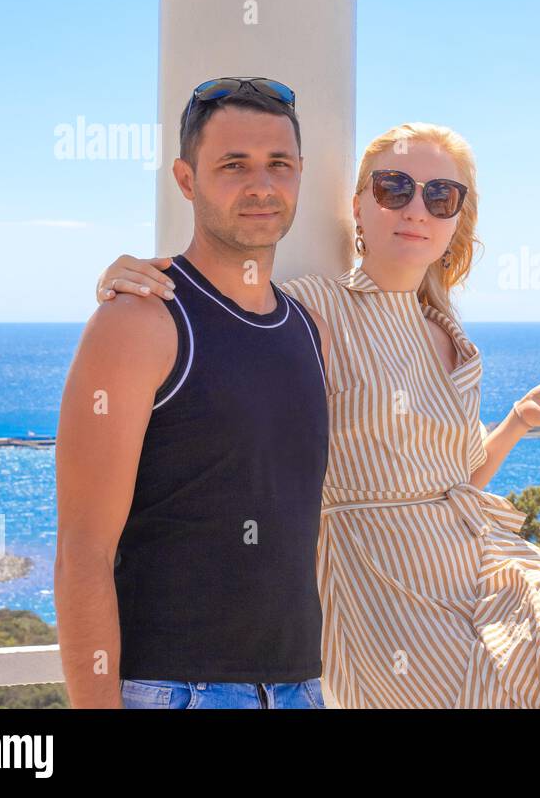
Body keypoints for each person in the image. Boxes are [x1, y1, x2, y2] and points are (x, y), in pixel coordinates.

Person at [93, 122, 540, 708]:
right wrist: (135, 278)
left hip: (489, 568)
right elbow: (221, 316)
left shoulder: (449, 333)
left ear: (458, 219)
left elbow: (446, 485)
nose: (416, 210)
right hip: (383, 590)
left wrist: (518, 421)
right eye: (393, 188)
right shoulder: (314, 309)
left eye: (440, 196)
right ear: (358, 205)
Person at [55, 77, 332, 708]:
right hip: (179, 691)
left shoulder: (305, 328)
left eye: (278, 165)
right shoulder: (141, 321)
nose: (261, 186)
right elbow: (81, 551)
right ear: (186, 180)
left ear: (299, 175)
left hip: (298, 687)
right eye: (233, 165)